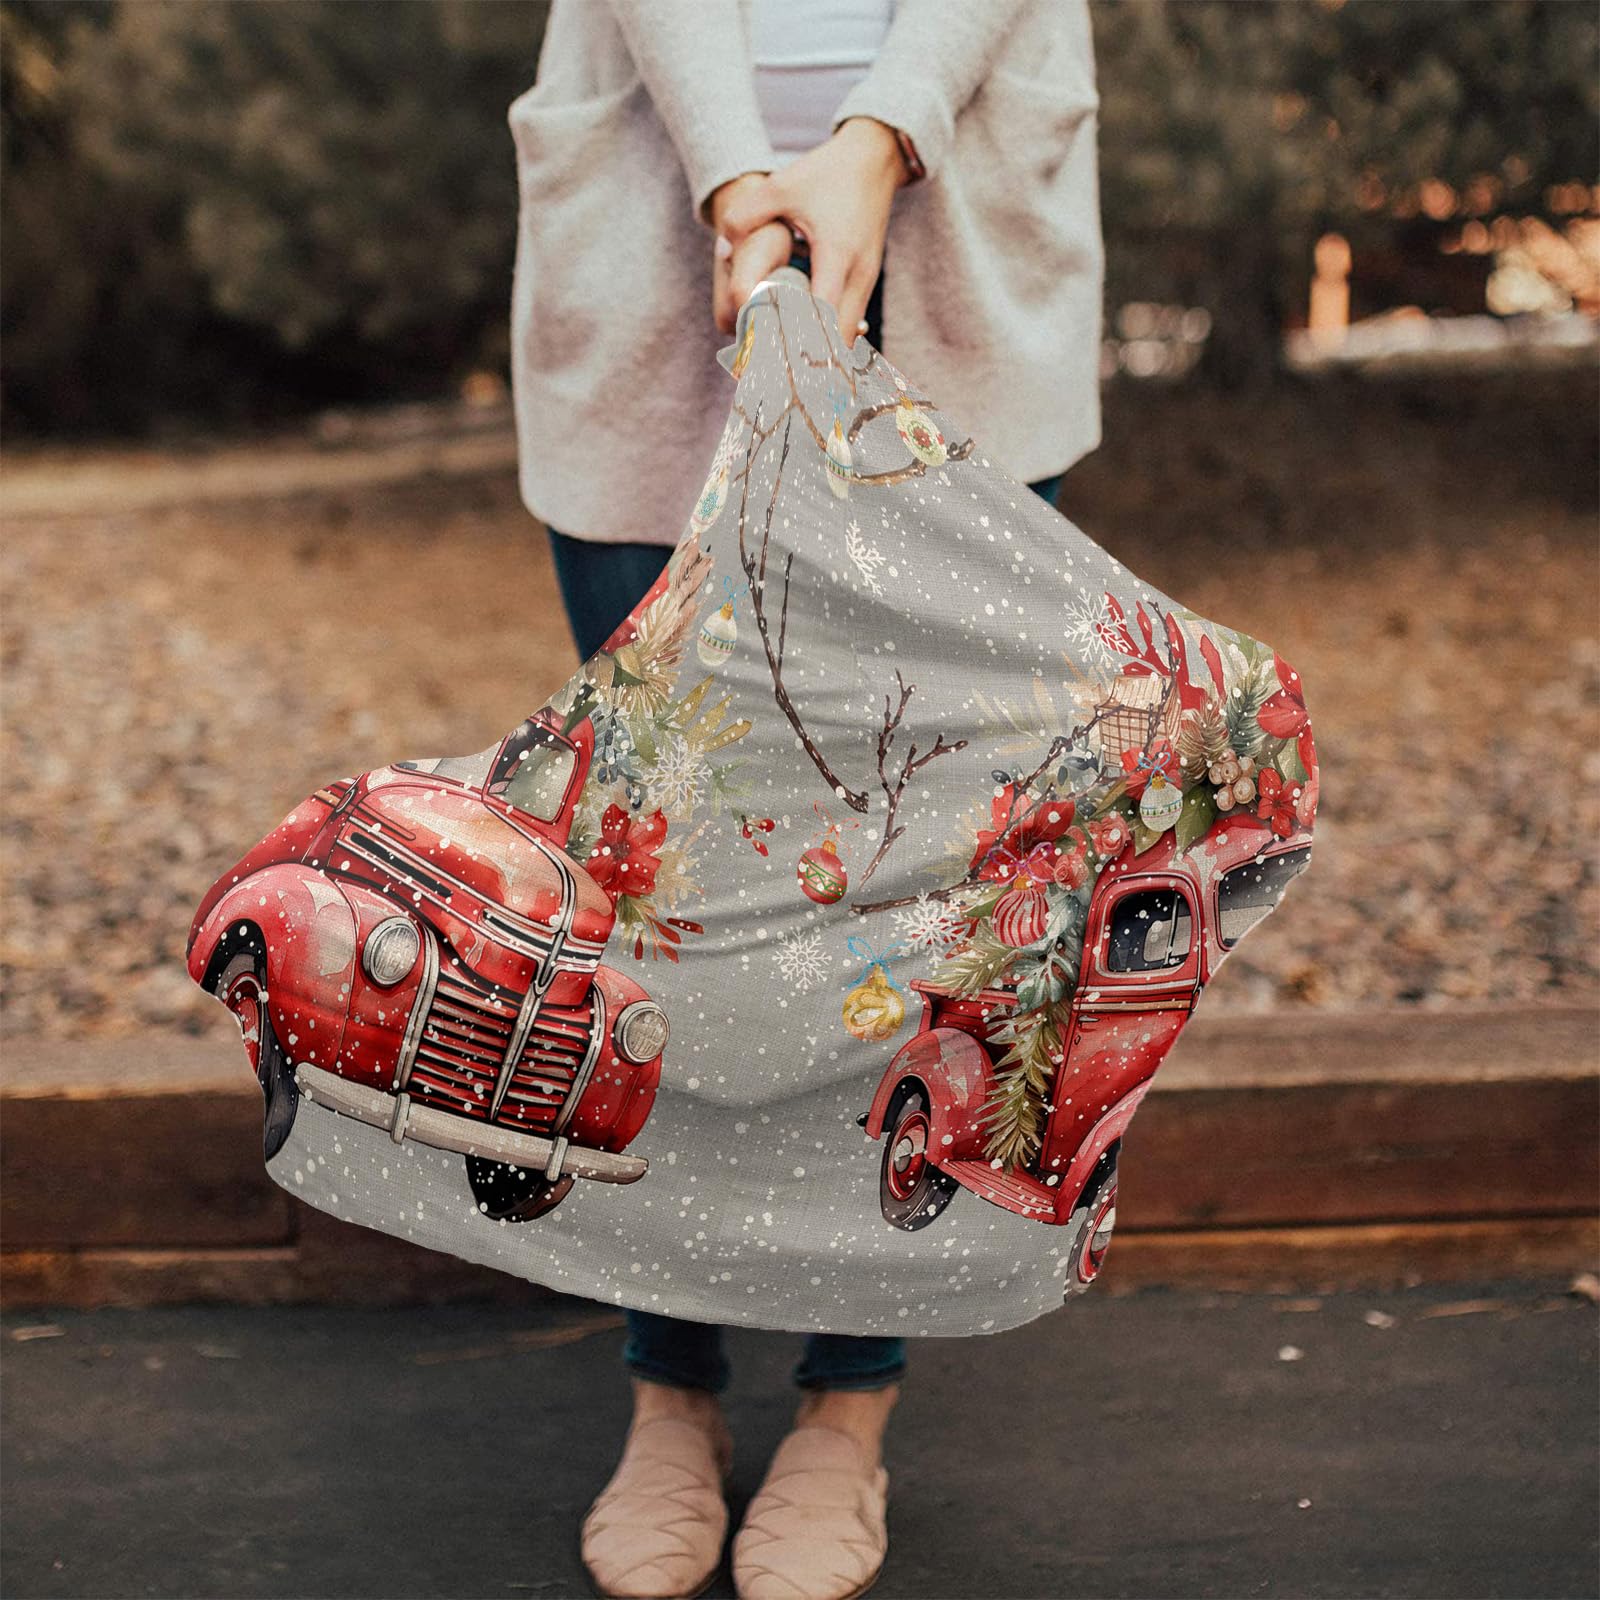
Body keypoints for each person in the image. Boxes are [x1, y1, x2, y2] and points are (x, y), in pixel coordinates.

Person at [507, 4, 1103, 1596]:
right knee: (665, 875)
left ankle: (850, 1402)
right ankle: (670, 1387)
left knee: (923, 883)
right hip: (656, 218)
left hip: (957, 224)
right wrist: (734, 178)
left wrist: (878, 135)